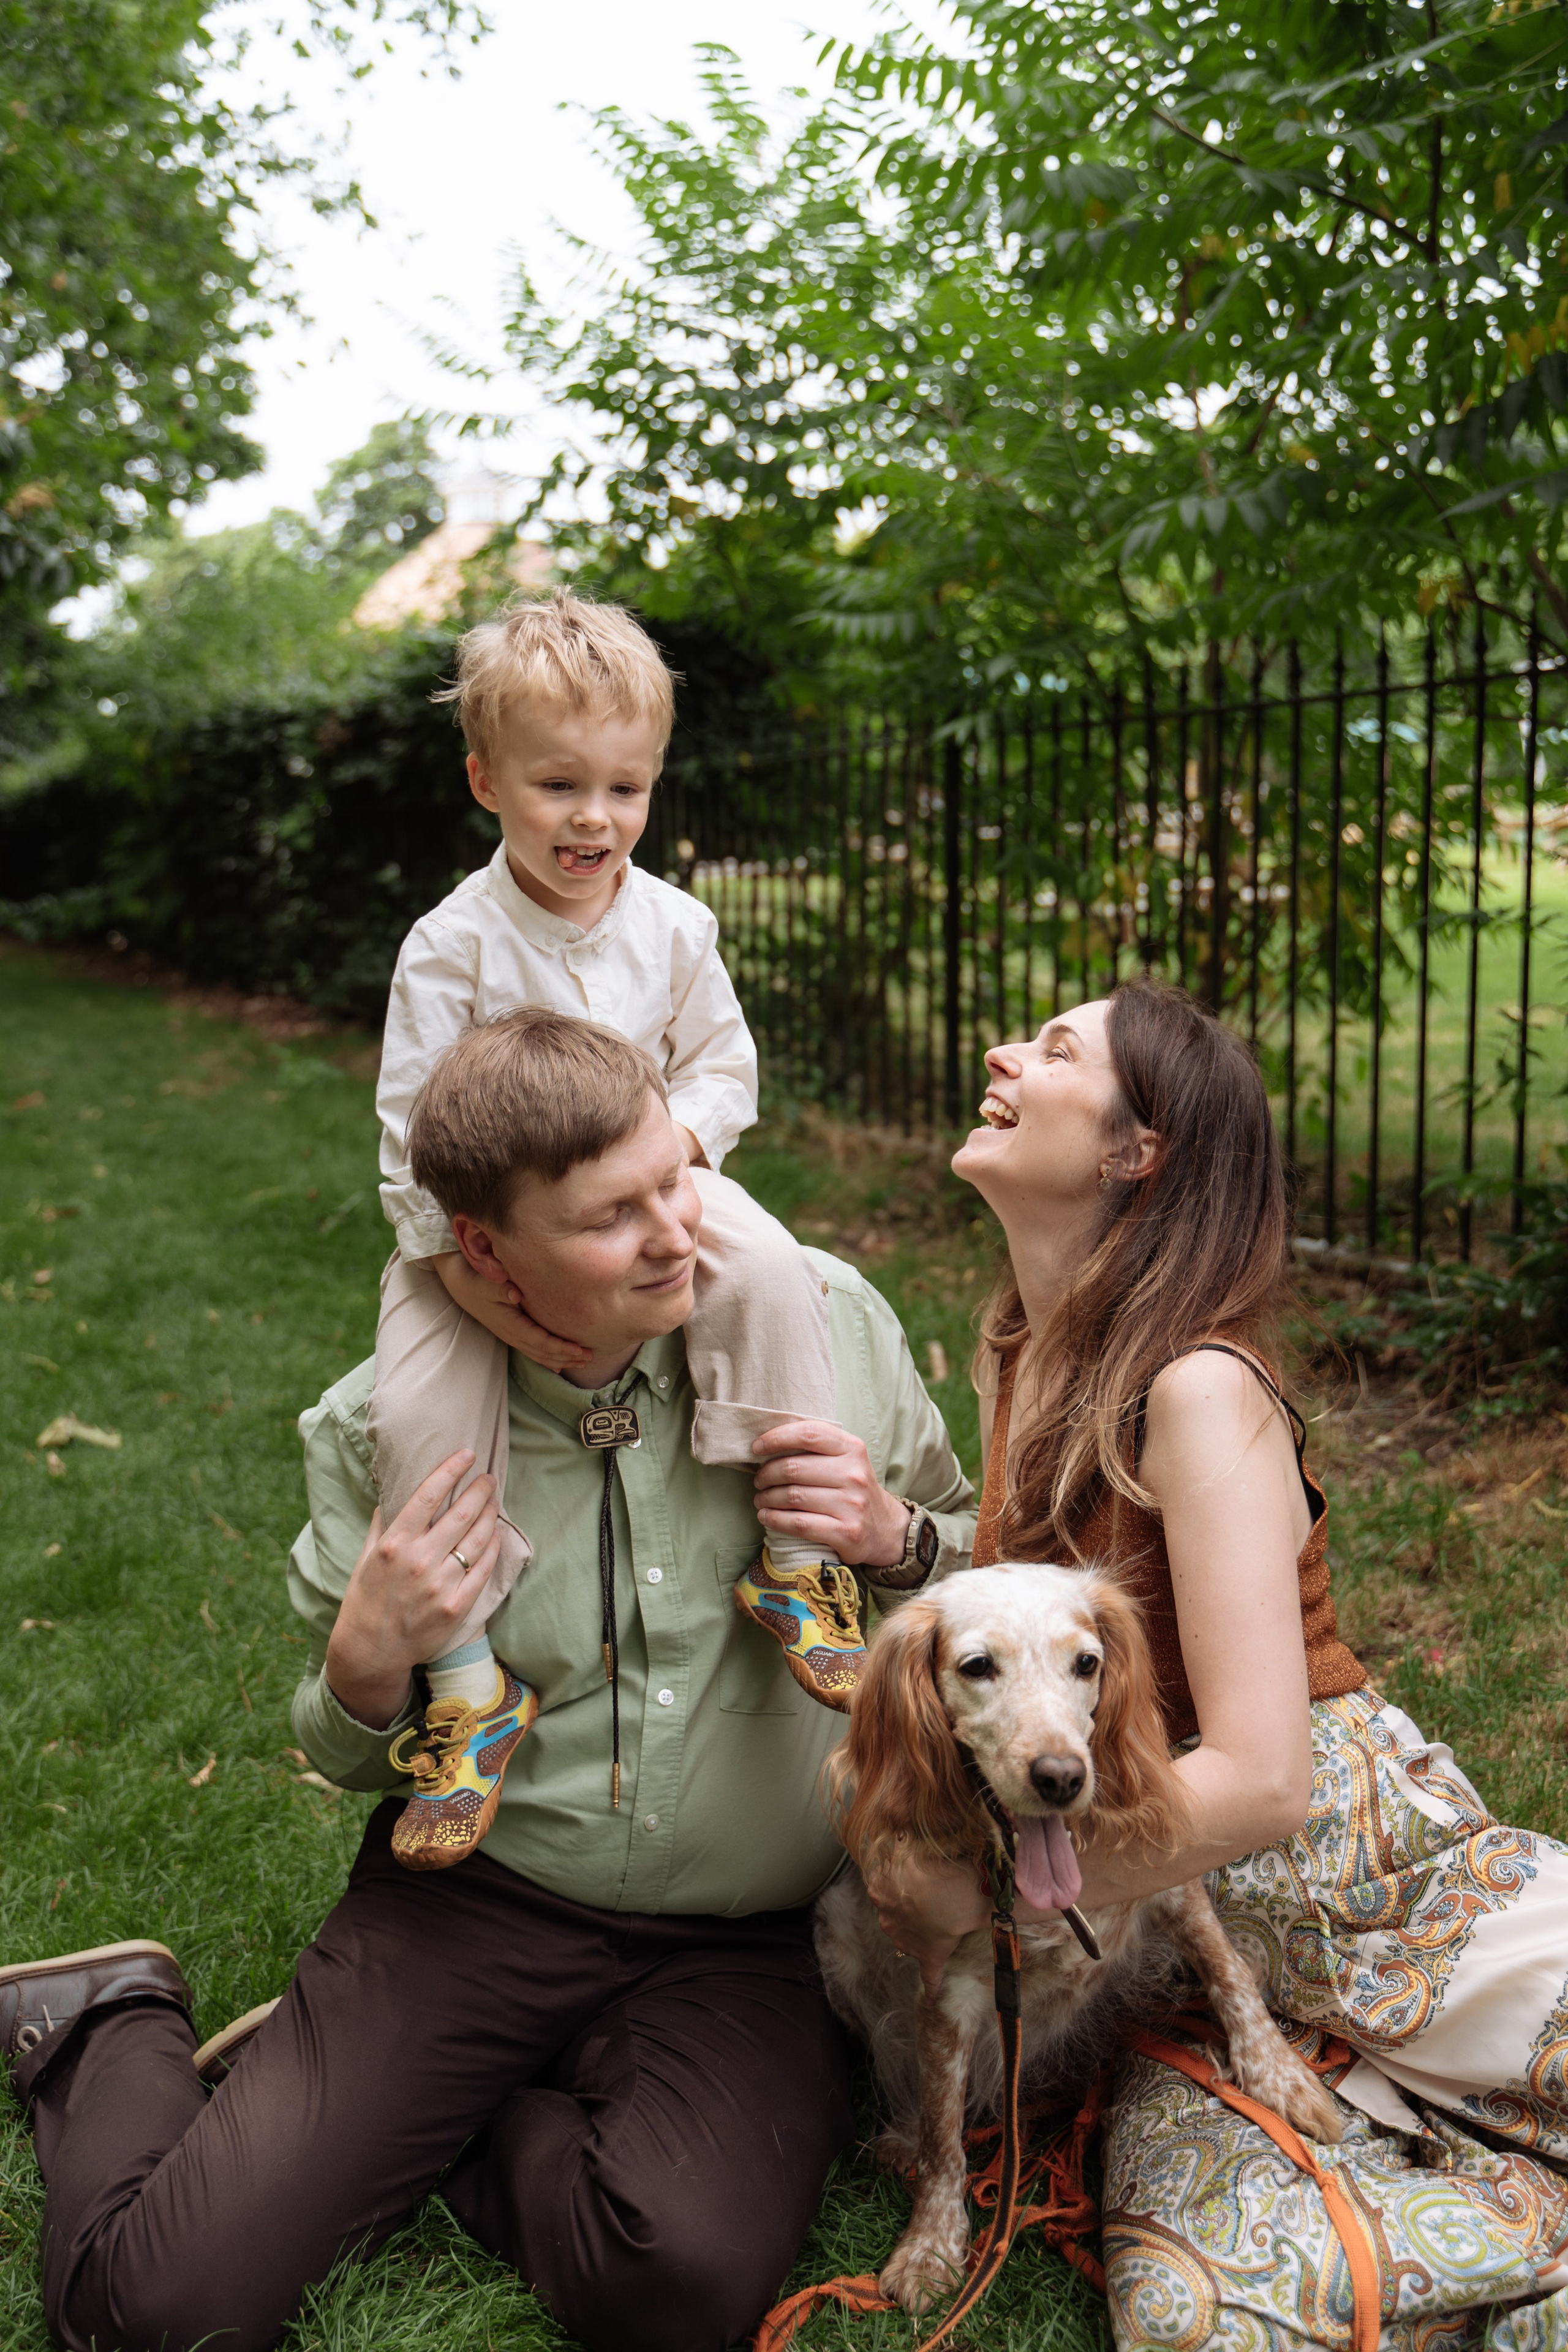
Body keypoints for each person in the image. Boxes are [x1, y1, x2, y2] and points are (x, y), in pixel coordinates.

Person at [0, 1011, 974, 2352]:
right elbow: (351, 1756)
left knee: (677, 2286)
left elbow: (982, 1585)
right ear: (484, 1250)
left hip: (744, 1940)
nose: (675, 1233)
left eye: (671, 1181)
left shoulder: (825, 1327)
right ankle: (102, 2023)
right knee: (156, 2314)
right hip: (478, 1906)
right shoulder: (382, 1430)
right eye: (608, 1219)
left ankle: (439, 2112)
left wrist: (897, 1540)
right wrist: (364, 1660)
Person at [866, 976, 1568, 2348]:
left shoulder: (1196, 1386)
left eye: (1055, 1046)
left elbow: (1257, 1781)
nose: (1003, 1051)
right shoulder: (1023, 1348)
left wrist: (966, 1887)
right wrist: (902, 1539)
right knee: (1202, 2315)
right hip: (1188, 1946)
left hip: (1362, 1880)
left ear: (1138, 1153)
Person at [372, 588, 872, 1869]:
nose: (593, 819)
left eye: (625, 788)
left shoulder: (674, 927)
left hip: (657, 1179)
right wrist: (485, 1295)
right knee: (418, 1407)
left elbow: (721, 1069)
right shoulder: (452, 946)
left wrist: (678, 1160)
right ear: (486, 780)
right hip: (478, 1231)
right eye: (557, 786)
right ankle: (469, 1683)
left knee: (767, 1265)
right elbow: (409, 1148)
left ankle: (799, 1560)